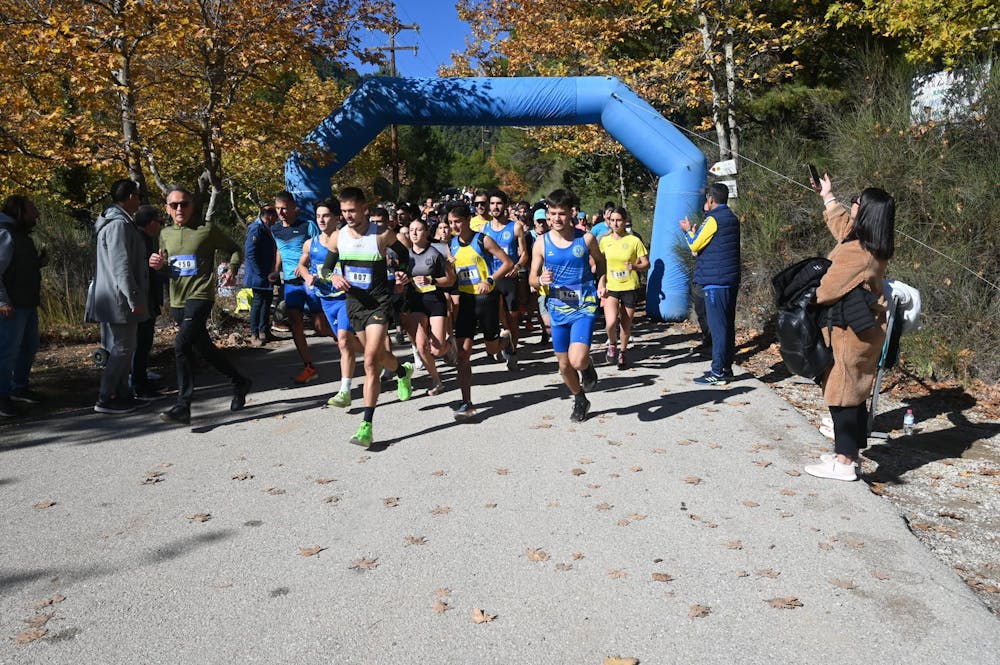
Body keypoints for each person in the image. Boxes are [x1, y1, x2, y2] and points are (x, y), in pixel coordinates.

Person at [805, 175, 895, 481]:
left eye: (858, 200)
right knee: (854, 390)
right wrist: (827, 196)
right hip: (864, 330)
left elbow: (828, 288)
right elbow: (843, 227)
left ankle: (843, 463)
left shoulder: (858, 252)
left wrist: (803, 299)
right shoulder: (868, 243)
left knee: (842, 393)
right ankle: (848, 455)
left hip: (851, 331)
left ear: (867, 212)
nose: (852, 202)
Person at [150, 186, 251, 425]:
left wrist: (231, 269)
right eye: (174, 205)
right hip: (177, 299)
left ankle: (183, 405)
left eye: (184, 204)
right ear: (167, 209)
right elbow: (167, 268)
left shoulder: (206, 230)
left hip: (201, 295)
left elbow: (236, 249)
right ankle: (239, 381)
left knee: (181, 344)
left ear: (192, 206)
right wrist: (157, 265)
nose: (179, 209)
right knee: (203, 348)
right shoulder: (165, 234)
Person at [322, 187, 414, 448]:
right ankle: (402, 370)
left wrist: (403, 273)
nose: (348, 216)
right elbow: (328, 268)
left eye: (352, 211)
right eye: (344, 211)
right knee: (379, 357)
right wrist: (334, 277)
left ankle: (366, 426)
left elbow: (405, 256)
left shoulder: (382, 234)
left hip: (379, 303)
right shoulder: (338, 237)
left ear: (365, 209)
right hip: (355, 304)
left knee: (371, 361)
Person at [529, 189, 603, 422]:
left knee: (577, 360)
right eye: (552, 214)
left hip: (584, 304)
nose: (556, 219)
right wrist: (540, 280)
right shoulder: (541, 243)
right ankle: (580, 398)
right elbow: (531, 277)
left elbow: (601, 263)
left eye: (561, 213)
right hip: (558, 304)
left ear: (572, 213)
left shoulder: (586, 239)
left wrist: (602, 282)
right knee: (564, 364)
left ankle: (586, 364)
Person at [447, 202, 514, 420]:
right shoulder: (452, 244)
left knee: (492, 350)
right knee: (463, 354)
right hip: (466, 301)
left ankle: (504, 343)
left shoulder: (482, 239)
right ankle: (466, 401)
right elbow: (454, 274)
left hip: (486, 299)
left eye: (457, 221)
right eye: (450, 222)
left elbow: (507, 262)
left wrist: (490, 279)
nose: (454, 226)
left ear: (467, 220)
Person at [88, 179, 150, 414]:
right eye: (138, 195)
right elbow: (121, 266)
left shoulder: (122, 222)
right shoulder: (118, 225)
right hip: (118, 299)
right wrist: (134, 299)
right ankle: (107, 397)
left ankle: (122, 393)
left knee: (126, 347)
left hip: (117, 296)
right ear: (131, 197)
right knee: (123, 348)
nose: (140, 200)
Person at [300, 200, 362, 409]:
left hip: (346, 298)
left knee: (344, 341)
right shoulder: (311, 243)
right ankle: (381, 355)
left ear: (338, 218)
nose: (321, 220)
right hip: (326, 300)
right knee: (346, 343)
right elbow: (301, 264)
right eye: (318, 216)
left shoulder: (347, 241)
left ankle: (344, 391)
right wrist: (306, 274)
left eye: (326, 215)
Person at [679, 182, 741, 385]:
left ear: (711, 200)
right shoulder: (731, 218)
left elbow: (694, 245)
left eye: (707, 199)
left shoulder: (713, 219)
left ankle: (717, 372)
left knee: (717, 328)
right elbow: (711, 245)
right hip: (730, 279)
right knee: (727, 326)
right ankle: (726, 368)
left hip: (715, 281)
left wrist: (688, 231)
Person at [273, 191, 324, 383]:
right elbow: (279, 249)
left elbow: (319, 248)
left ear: (295, 208)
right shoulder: (275, 230)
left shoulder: (307, 226)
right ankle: (308, 367)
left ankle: (346, 340)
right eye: (278, 208)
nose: (281, 212)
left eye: (284, 208)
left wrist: (309, 268)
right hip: (291, 284)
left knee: (320, 326)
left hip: (309, 281)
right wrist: (275, 269)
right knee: (296, 325)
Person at [0, 196, 43, 418]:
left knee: (28, 346)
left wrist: (37, 263)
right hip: (12, 306)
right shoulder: (5, 233)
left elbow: (16, 265)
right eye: (32, 210)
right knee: (7, 351)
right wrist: (2, 301)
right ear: (19, 211)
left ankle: (19, 387)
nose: (36, 214)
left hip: (26, 302)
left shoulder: (19, 234)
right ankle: (2, 396)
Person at [404, 216, 456, 395]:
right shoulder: (406, 255)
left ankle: (449, 345)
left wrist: (431, 279)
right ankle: (436, 380)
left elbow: (449, 280)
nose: (414, 233)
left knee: (437, 349)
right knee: (421, 346)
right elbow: (400, 278)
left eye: (418, 229)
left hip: (435, 300)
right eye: (411, 230)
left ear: (426, 232)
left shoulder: (435, 253)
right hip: (416, 302)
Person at [598, 207, 649, 370]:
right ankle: (612, 344)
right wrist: (601, 283)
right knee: (611, 322)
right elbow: (601, 265)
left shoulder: (634, 241)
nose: (615, 223)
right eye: (612, 220)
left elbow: (646, 263)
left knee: (626, 325)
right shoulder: (604, 241)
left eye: (618, 220)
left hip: (629, 286)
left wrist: (634, 266)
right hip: (611, 286)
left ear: (625, 221)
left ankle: (623, 352)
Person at [481, 189, 527, 369]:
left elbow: (524, 255)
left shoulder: (515, 227)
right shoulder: (483, 229)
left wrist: (517, 267)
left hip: (509, 278)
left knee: (513, 318)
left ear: (505, 206)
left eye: (498, 203)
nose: (495, 207)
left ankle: (512, 351)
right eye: (492, 203)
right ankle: (500, 343)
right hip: (492, 278)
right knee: (496, 317)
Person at [131, 205, 165, 399]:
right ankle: (139, 384)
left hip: (147, 299)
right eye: (159, 221)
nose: (160, 225)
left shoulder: (144, 239)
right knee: (142, 343)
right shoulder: (141, 241)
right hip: (144, 300)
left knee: (143, 343)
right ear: (152, 223)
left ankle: (140, 379)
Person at [244, 205, 278, 347]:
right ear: (269, 216)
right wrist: (260, 273)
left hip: (267, 273)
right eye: (275, 217)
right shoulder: (256, 228)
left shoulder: (267, 228)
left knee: (267, 301)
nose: (276, 220)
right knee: (258, 303)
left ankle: (265, 330)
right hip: (259, 274)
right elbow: (250, 253)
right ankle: (254, 333)